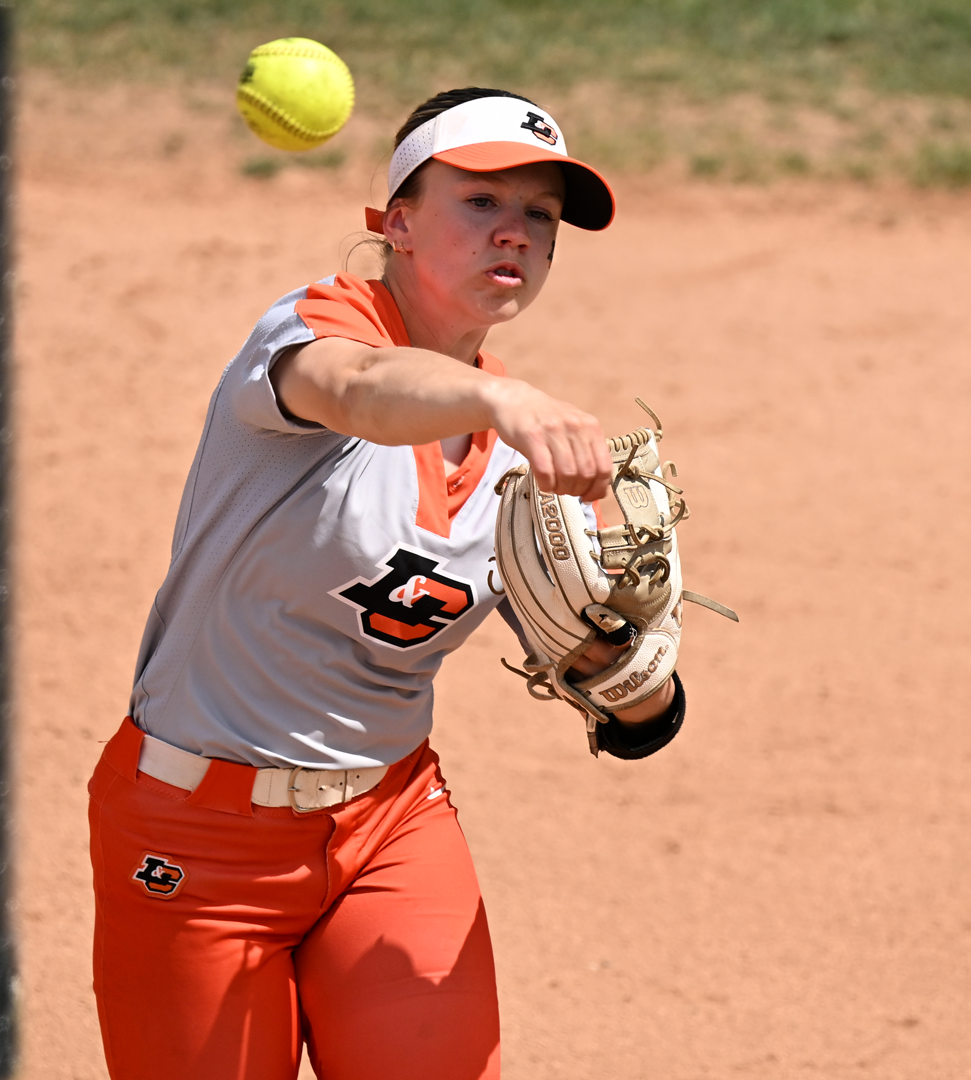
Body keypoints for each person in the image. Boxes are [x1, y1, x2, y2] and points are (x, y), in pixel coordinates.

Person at [90, 88, 690, 1080]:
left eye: (540, 215)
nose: (517, 232)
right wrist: (502, 392)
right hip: (195, 837)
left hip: (390, 827)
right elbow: (362, 390)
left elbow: (639, 716)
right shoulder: (313, 331)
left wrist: (626, 669)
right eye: (482, 200)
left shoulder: (524, 465)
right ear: (399, 223)